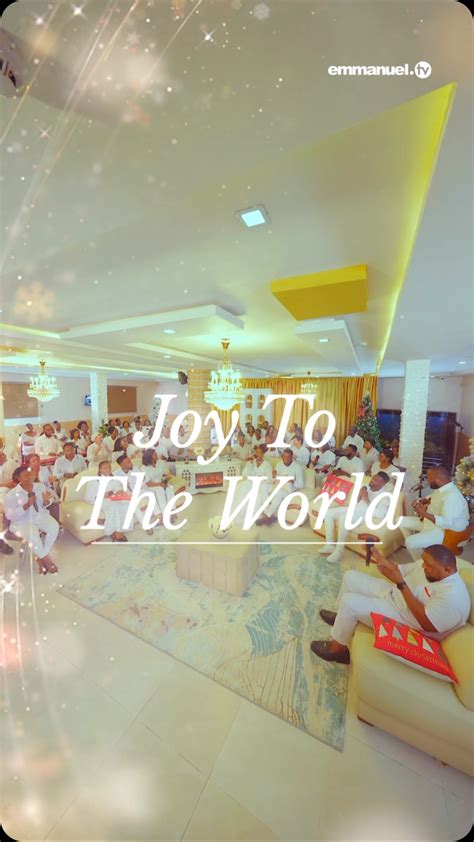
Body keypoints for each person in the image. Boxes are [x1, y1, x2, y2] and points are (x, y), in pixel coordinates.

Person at [310, 544, 471, 664]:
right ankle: (342, 618)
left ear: (447, 570)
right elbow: (401, 571)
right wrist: (381, 560)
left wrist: (401, 584)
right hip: (395, 595)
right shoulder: (429, 568)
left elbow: (427, 624)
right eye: (424, 561)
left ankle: (338, 650)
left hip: (407, 621)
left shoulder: (453, 596)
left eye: (428, 565)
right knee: (350, 576)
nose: (423, 566)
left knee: (349, 602)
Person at [319, 471, 391, 563]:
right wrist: (359, 494)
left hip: (364, 514)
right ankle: (330, 545)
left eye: (376, 480)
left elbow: (380, 514)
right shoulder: (366, 486)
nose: (372, 481)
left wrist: (366, 499)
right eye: (373, 478)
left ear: (383, 484)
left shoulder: (385, 497)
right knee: (329, 512)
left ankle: (339, 551)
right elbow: (356, 501)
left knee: (344, 518)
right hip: (353, 508)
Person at [400, 466, 469, 560]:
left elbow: (447, 523)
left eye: (429, 477)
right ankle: (421, 549)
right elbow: (431, 498)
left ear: (439, 480)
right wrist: (421, 501)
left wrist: (423, 514)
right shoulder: (443, 488)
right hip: (431, 524)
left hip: (447, 532)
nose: (427, 480)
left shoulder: (452, 497)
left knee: (410, 542)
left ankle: (421, 562)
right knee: (400, 521)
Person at [3, 466, 60, 574]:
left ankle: (40, 556)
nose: (30, 477)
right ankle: (46, 560)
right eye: (26, 475)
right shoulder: (10, 496)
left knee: (54, 527)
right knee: (33, 534)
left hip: (40, 516)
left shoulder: (40, 487)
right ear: (18, 478)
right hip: (21, 521)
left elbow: (46, 504)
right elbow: (10, 516)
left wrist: (46, 502)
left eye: (31, 473)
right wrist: (27, 505)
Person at [84, 460, 131, 543]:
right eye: (105, 468)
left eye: (109, 467)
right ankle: (117, 532)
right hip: (101, 500)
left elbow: (117, 487)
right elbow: (88, 497)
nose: (108, 469)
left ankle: (104, 521)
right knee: (114, 506)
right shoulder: (93, 481)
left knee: (126, 504)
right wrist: (101, 495)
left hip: (113, 498)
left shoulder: (114, 478)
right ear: (100, 470)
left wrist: (119, 491)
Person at [257, 449, 304, 526]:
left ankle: (267, 515)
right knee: (263, 486)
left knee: (279, 492)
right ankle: (269, 512)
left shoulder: (297, 467)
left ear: (292, 457)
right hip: (277, 486)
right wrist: (273, 475)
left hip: (287, 490)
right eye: (284, 456)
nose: (285, 458)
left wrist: (293, 481)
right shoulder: (279, 464)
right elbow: (273, 479)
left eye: (288, 457)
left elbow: (301, 484)